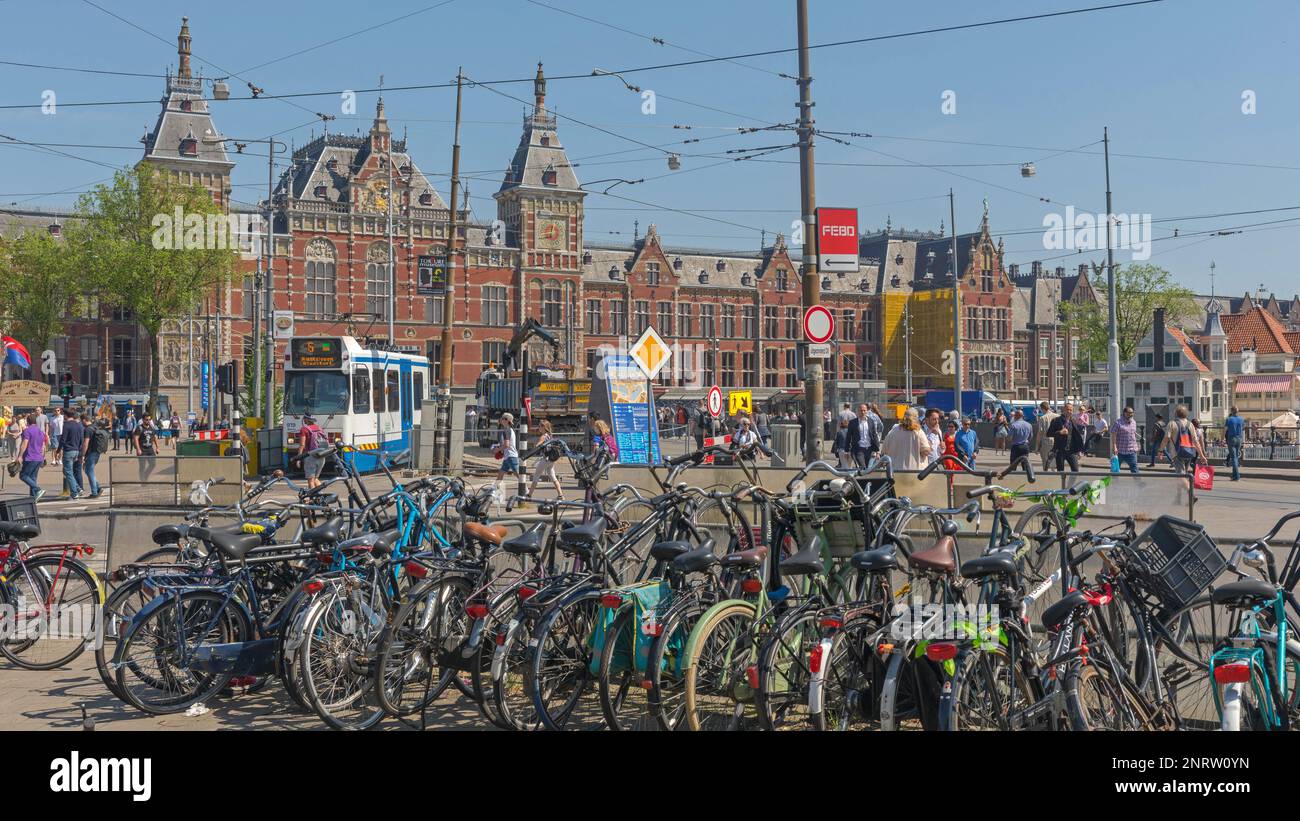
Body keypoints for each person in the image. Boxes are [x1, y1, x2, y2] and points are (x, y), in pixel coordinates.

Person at [526, 419, 565, 501]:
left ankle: (529, 495)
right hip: (551, 460)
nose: (538, 428)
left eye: (540, 426)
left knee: (536, 476)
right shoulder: (550, 435)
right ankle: (560, 495)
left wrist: (534, 447)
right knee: (553, 477)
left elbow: (537, 445)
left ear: (544, 427)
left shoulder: (543, 436)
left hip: (545, 459)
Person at [13, 413, 46, 500]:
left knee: (23, 475)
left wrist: (20, 456)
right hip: (39, 457)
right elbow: (43, 446)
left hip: (30, 457)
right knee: (32, 478)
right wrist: (43, 458)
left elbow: (24, 443)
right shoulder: (41, 432)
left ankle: (38, 490)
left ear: (27, 421)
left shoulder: (27, 431)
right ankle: (33, 498)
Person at [1166, 405, 1205, 475]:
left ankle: (1188, 486)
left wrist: (1160, 449)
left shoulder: (1172, 423)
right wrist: (1202, 455)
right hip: (1189, 452)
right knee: (1184, 474)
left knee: (1181, 476)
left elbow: (1166, 438)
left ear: (1176, 413)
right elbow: (1196, 441)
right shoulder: (1190, 424)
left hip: (1177, 453)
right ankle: (1184, 485)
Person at [1046, 401, 1085, 472]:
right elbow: (1048, 433)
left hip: (1071, 450)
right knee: (1061, 471)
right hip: (1060, 450)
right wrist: (1059, 432)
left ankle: (1071, 483)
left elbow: (1076, 436)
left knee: (1076, 470)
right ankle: (1062, 483)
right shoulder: (1056, 420)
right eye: (1067, 409)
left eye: (1071, 410)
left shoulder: (1072, 421)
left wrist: (1079, 450)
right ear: (1064, 410)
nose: (1069, 411)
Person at [495, 412, 522, 500]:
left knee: (517, 473)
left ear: (506, 420)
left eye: (502, 418)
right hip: (508, 456)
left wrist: (498, 450)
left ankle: (526, 489)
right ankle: (495, 490)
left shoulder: (506, 430)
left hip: (511, 456)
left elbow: (507, 445)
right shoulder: (510, 429)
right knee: (501, 473)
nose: (501, 420)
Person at [59, 410, 86, 499]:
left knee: (68, 472)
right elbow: (82, 439)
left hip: (68, 451)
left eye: (64, 415)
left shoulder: (66, 425)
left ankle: (74, 493)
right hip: (76, 451)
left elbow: (63, 439)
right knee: (70, 472)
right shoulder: (79, 425)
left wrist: (58, 450)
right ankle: (78, 488)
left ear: (66, 416)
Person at [297, 414, 326, 490]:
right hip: (322, 455)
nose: (303, 420)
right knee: (315, 479)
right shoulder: (320, 428)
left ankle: (313, 499)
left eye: (304, 419)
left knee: (310, 481)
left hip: (311, 457)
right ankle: (322, 496)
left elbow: (302, 445)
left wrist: (298, 458)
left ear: (306, 419)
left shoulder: (304, 429)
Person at [83, 414, 109, 498]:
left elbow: (86, 443)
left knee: (89, 471)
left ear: (84, 420)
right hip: (97, 452)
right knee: (89, 471)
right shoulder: (95, 428)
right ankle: (97, 488)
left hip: (91, 452)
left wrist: (83, 455)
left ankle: (94, 492)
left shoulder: (88, 429)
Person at [846, 402, 878, 468]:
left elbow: (874, 435)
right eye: (861, 411)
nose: (863, 412)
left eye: (864, 410)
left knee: (868, 468)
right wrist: (846, 451)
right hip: (859, 449)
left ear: (867, 411)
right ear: (858, 411)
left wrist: (877, 451)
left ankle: (865, 478)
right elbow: (848, 437)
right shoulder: (853, 423)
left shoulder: (871, 421)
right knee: (862, 467)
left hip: (869, 449)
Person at [1110, 406, 1140, 475]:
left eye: (1132, 413)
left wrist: (1136, 446)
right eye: (1129, 413)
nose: (1131, 414)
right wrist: (1114, 446)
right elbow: (1113, 434)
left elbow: (1133, 435)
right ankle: (1114, 484)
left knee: (1135, 469)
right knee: (1115, 470)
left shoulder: (1133, 422)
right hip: (1120, 451)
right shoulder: (1118, 422)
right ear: (1124, 413)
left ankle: (1138, 484)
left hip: (1131, 451)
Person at [1007, 410, 1034, 474]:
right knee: (1025, 464)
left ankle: (1013, 479)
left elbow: (1009, 438)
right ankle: (1026, 478)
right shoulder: (1029, 425)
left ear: (1016, 416)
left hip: (1016, 446)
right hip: (1025, 446)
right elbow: (1031, 436)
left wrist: (1010, 439)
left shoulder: (1013, 425)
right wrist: (1026, 441)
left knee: (1013, 465)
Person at [1035, 401, 1059, 471]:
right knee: (1055, 461)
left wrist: (1037, 447)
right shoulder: (1057, 416)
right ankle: (1055, 474)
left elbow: (1040, 433)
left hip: (1046, 442)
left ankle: (1046, 475)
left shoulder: (1042, 418)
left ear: (1042, 408)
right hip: (1056, 441)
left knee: (1045, 462)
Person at [1225, 405, 1245, 481]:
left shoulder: (1229, 419)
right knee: (1236, 457)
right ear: (1237, 411)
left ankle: (1236, 476)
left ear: (1231, 411)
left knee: (1234, 458)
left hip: (1231, 438)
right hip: (1239, 439)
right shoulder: (1241, 419)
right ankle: (1234, 476)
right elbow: (1243, 429)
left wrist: (1222, 438)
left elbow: (1225, 429)